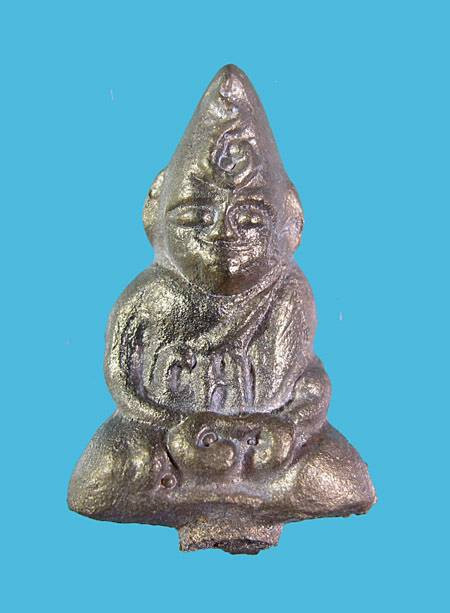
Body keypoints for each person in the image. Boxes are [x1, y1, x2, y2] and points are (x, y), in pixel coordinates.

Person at [68, 65, 375, 553]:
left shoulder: (288, 294)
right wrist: (165, 423)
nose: (222, 235)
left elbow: (296, 383)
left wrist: (282, 430)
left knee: (335, 477)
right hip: (169, 441)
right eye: (198, 216)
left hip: (265, 446)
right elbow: (122, 378)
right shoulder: (149, 295)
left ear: (291, 223)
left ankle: (241, 498)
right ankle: (227, 496)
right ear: (155, 216)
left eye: (251, 218)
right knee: (109, 472)